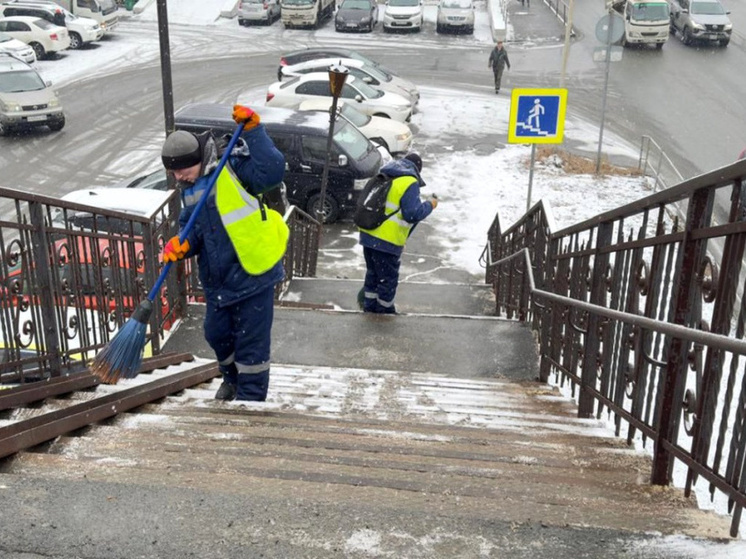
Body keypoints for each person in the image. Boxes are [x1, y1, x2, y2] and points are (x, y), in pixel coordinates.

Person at [160, 105, 287, 402]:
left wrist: (255, 132)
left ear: (198, 159)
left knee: (251, 346)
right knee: (217, 335)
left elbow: (271, 172)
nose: (180, 177)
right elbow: (191, 228)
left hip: (253, 270)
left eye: (184, 169)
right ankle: (231, 379)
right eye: (174, 172)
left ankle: (250, 402)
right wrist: (183, 244)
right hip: (219, 279)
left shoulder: (233, 165)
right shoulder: (188, 187)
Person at [358, 153, 437, 314]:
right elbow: (412, 214)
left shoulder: (386, 174)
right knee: (387, 280)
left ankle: (369, 308)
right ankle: (384, 313)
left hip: (368, 234)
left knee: (373, 275)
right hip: (387, 241)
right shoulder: (409, 181)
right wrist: (430, 205)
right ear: (417, 169)